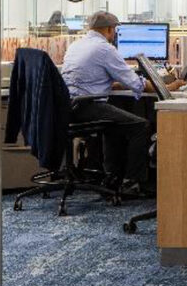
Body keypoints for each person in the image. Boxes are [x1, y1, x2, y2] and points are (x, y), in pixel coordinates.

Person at [60, 11, 158, 197]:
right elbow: (137, 84)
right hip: (87, 107)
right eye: (114, 31)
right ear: (108, 29)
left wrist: (115, 82)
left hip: (69, 106)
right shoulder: (105, 49)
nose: (114, 35)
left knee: (115, 124)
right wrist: (170, 85)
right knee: (140, 125)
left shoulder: (76, 45)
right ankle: (132, 182)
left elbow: (91, 78)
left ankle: (112, 176)